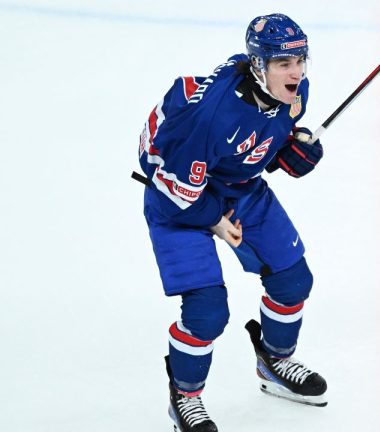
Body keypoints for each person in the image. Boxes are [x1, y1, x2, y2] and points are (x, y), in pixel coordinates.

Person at [137, 13, 327, 432]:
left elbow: (264, 141)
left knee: (293, 281)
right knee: (207, 313)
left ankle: (274, 362)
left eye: (300, 60)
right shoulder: (209, 116)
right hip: (177, 201)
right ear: (258, 65)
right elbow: (173, 190)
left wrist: (293, 154)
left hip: (236, 187)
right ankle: (184, 399)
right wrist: (215, 221)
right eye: (283, 64)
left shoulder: (295, 92)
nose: (295, 72)